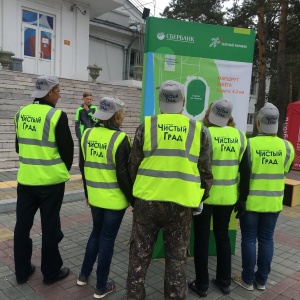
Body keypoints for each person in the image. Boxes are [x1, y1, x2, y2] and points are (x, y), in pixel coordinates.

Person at [125, 80, 213, 300]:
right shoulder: (198, 129)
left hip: (147, 201)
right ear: (183, 102)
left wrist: (136, 196)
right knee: (176, 259)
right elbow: (206, 172)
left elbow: (132, 165)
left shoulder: (146, 126)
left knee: (139, 255)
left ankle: (134, 296)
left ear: (160, 101)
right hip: (181, 204)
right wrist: (201, 197)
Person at [13, 74, 74, 285]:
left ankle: (22, 271)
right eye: (58, 91)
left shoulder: (21, 113)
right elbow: (67, 152)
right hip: (51, 184)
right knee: (50, 228)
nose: (59, 95)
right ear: (49, 92)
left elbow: (18, 146)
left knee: (22, 227)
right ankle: (51, 272)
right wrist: (58, 170)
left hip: (26, 181)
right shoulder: (56, 116)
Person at [233, 102, 295, 291]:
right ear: (276, 123)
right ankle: (262, 280)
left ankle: (247, 279)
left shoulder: (248, 144)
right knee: (267, 239)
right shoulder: (287, 147)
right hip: (273, 203)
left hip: (250, 202)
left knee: (249, 239)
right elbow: (285, 171)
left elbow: (240, 174)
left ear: (258, 123)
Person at [76, 96, 134, 299]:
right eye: (122, 113)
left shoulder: (87, 134)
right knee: (107, 240)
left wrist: (87, 194)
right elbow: (123, 176)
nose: (124, 116)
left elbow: (83, 168)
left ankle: (83, 276)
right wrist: (133, 200)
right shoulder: (121, 139)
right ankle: (101, 286)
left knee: (96, 233)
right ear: (116, 116)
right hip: (114, 200)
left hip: (95, 197)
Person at [188, 99, 247, 297]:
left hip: (204, 196)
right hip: (228, 197)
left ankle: (202, 285)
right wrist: (243, 199)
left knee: (201, 239)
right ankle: (224, 281)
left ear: (209, 114)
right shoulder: (240, 136)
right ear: (229, 116)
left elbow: (194, 165)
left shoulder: (203, 133)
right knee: (222, 238)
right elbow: (244, 170)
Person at [75, 92, 98, 171]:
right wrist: (79, 136)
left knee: (91, 153)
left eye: (90, 99)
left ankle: (91, 170)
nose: (89, 101)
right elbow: (77, 123)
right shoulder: (79, 109)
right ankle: (82, 172)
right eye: (87, 99)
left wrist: (88, 111)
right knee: (82, 155)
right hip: (83, 135)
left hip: (93, 134)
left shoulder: (94, 108)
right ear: (83, 98)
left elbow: (95, 120)